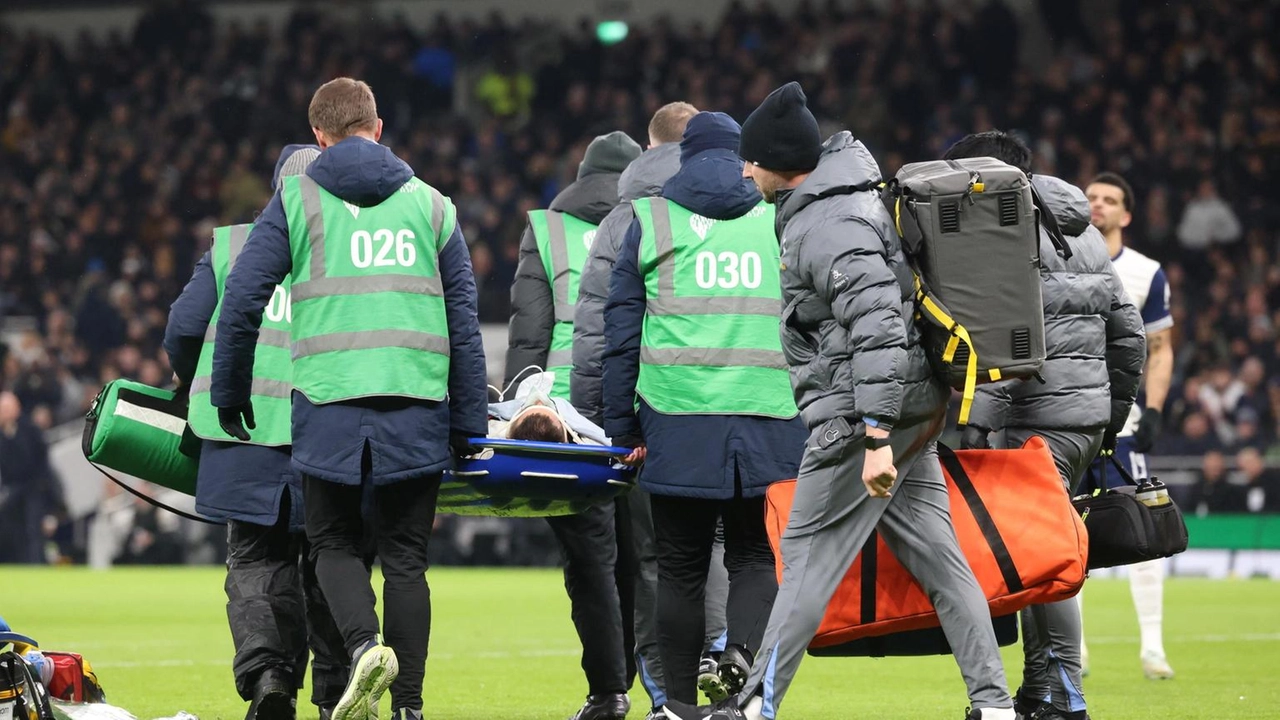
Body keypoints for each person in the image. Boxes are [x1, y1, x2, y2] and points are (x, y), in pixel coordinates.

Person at [665, 83, 1016, 720]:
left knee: (801, 560)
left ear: (780, 162)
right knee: (942, 560)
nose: (744, 170)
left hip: (865, 417)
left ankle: (751, 708)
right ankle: (993, 705)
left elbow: (878, 326)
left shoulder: (827, 225)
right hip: (907, 406)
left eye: (751, 159)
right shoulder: (837, 203)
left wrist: (876, 435)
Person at [211, 78, 488, 720]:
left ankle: (364, 645)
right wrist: (468, 423)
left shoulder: (296, 199)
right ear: (379, 127)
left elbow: (246, 298)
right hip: (417, 407)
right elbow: (464, 324)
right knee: (407, 563)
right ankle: (409, 708)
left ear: (319, 137)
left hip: (329, 407)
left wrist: (230, 391)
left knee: (331, 543)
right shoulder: (434, 206)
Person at [603, 110, 808, 708]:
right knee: (754, 555)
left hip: (677, 415)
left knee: (680, 569)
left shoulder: (652, 218)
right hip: (771, 413)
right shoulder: (778, 215)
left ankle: (678, 704)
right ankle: (740, 666)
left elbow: (620, 333)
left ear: (683, 158)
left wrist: (621, 425)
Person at [950, 133, 1146, 720]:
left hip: (1032, 419)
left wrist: (975, 427)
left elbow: (1007, 347)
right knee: (1036, 554)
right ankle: (1042, 689)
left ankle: (1065, 694)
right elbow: (1128, 334)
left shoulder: (1001, 234)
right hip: (1081, 419)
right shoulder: (1082, 233)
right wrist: (1108, 416)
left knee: (1045, 560)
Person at [165, 145, 350, 720]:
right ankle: (335, 696)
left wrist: (197, 378)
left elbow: (183, 329)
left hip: (242, 432)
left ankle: (269, 673)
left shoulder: (231, 246)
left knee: (252, 562)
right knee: (330, 564)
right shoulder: (343, 250)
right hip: (325, 434)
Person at [572, 101, 732, 717]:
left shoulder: (628, 217)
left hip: (650, 414)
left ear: (648, 148)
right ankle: (726, 659)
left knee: (654, 559)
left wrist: (596, 420)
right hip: (739, 410)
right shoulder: (749, 208)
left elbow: (596, 330)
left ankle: (669, 695)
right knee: (727, 544)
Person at [504, 130, 643, 720]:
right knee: (652, 557)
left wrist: (513, 412)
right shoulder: (655, 222)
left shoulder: (548, 231)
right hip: (643, 407)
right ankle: (657, 682)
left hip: (567, 424)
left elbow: (528, 333)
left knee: (590, 560)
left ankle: (609, 691)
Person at [1083, 172, 1177, 681]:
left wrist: (1155, 410)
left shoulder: (1146, 272)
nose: (1097, 204)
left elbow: (1161, 350)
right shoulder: (1059, 256)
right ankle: (1074, 650)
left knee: (1146, 532)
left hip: (1123, 424)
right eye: (1091, 196)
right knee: (1068, 537)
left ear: (1126, 215)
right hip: (1069, 423)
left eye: (1109, 199)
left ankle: (1153, 648)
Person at [0, 390, 62, 565]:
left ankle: (36, 564)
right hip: (13, 490)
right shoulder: (2, 434)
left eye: (5, 408)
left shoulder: (30, 430)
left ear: (16, 408)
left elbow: (35, 460)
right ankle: (19, 563)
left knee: (33, 530)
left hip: (33, 488)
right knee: (14, 530)